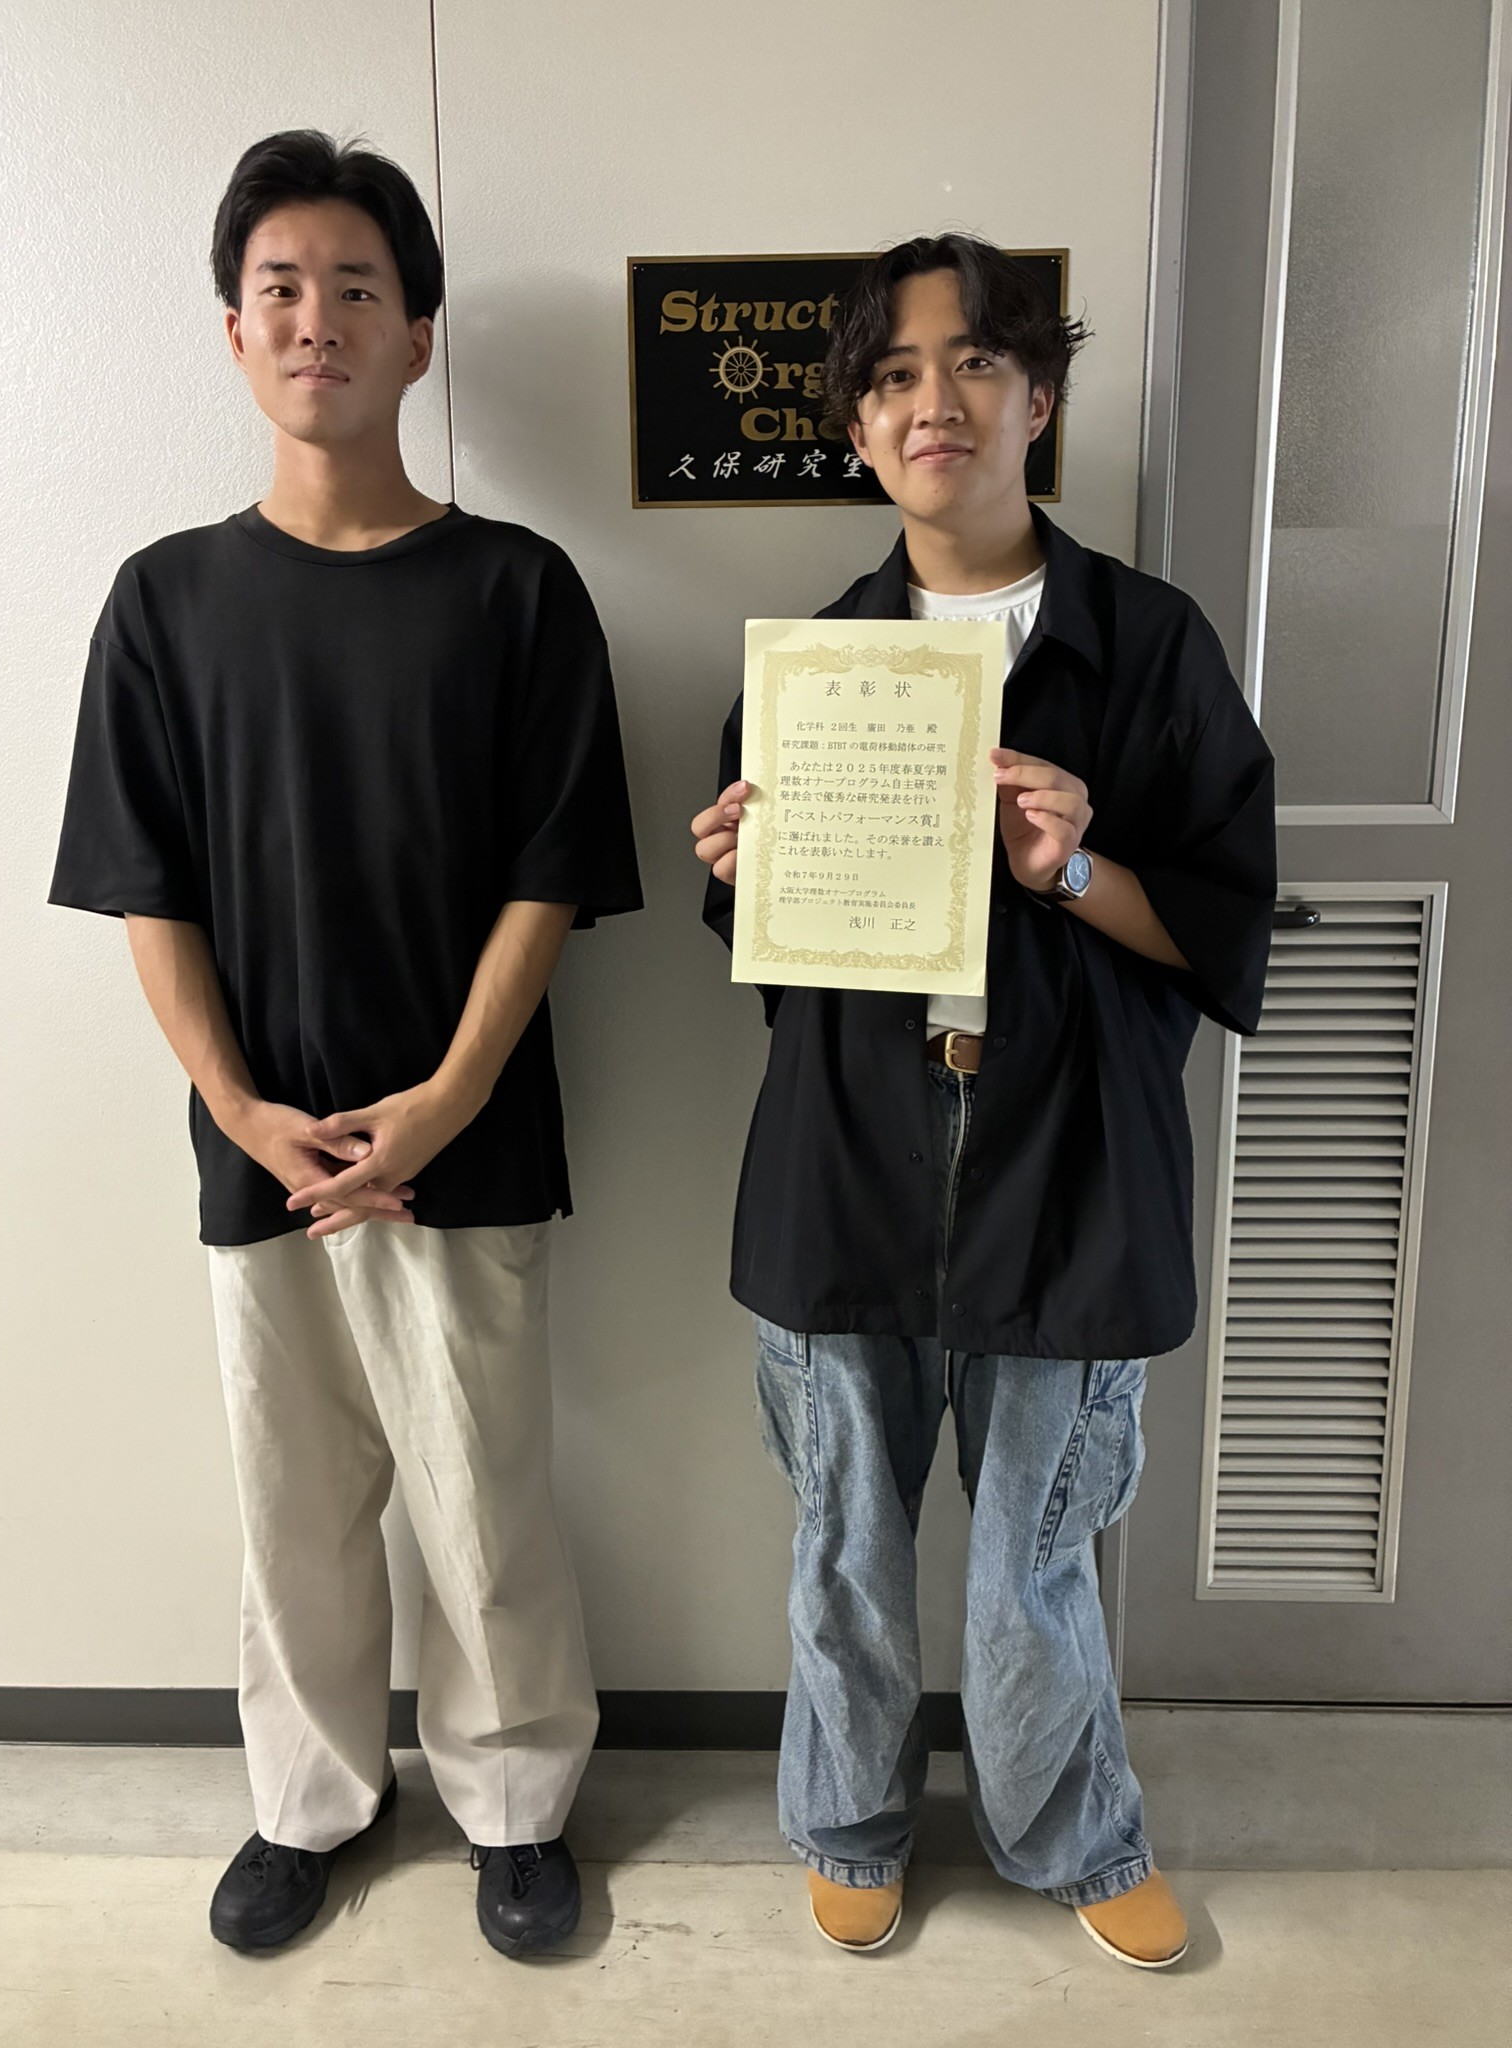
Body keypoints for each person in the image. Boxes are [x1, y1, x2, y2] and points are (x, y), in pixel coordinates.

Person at [49, 130, 641, 1959]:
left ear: (419, 336)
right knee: (291, 1507)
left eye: (359, 288)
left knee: (484, 1505)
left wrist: (448, 1099)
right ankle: (310, 1800)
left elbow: (554, 875)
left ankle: (516, 1805)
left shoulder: (519, 589)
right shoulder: (164, 600)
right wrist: (239, 1105)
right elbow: (148, 889)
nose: (320, 318)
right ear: (234, 333)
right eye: (283, 288)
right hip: (265, 1145)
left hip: (467, 1134)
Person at [691, 234, 1274, 1966]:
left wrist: (1074, 865)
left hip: (1069, 1147)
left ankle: (1075, 1835)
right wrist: (742, 871)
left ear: (1040, 398)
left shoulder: (1148, 643)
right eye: (891, 376)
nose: (929, 401)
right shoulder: (813, 667)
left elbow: (1222, 927)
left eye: (970, 363)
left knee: (1037, 1545)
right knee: (845, 1536)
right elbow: (778, 966)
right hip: (853, 1146)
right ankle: (851, 1817)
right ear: (857, 426)